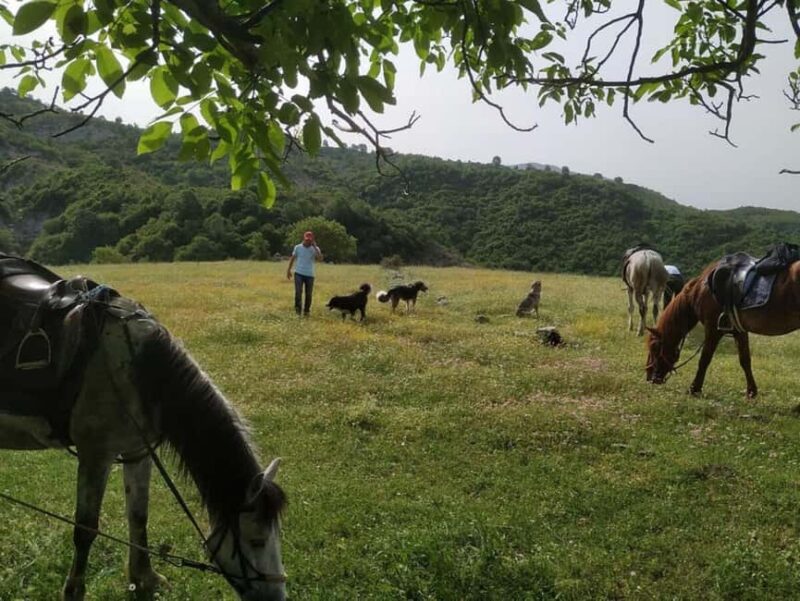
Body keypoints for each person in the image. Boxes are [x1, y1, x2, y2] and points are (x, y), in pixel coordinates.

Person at [287, 231, 323, 316]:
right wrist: (288, 270)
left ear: (312, 240)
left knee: (308, 294)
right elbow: (292, 258)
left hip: (310, 275)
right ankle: (298, 312)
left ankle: (306, 312)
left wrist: (315, 247)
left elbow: (320, 259)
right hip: (298, 273)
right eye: (307, 240)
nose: (308, 242)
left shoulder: (315, 249)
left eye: (310, 240)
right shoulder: (298, 247)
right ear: (304, 238)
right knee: (298, 292)